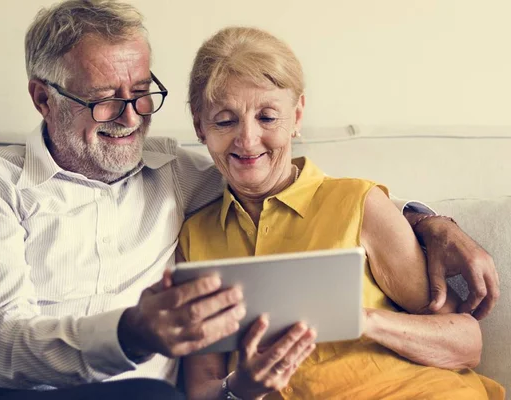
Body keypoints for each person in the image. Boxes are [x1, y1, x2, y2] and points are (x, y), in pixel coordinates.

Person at [0, 1, 499, 399]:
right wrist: (137, 334)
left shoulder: (174, 176)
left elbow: (298, 187)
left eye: (141, 95)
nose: (130, 119)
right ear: (42, 97)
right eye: (105, 100)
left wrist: (434, 225)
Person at [179, 26, 505, 400]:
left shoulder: (357, 202)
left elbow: (467, 342)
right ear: (199, 126)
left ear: (297, 115)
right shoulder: (195, 237)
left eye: (268, 117)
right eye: (224, 120)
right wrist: (241, 388)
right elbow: (203, 388)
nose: (248, 139)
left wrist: (362, 319)